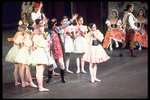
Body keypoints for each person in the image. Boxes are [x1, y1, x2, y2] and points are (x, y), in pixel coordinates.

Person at [46, 13, 78, 83]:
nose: (55, 26)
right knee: (50, 66)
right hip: (51, 50)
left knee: (61, 63)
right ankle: (49, 78)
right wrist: (45, 22)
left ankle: (63, 78)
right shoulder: (48, 32)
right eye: (54, 24)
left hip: (59, 49)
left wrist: (72, 19)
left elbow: (64, 25)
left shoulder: (57, 29)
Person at [28, 19, 55, 91]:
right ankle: (40, 87)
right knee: (40, 70)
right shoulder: (41, 38)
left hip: (37, 52)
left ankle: (40, 86)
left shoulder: (35, 36)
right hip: (40, 52)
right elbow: (46, 45)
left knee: (39, 70)